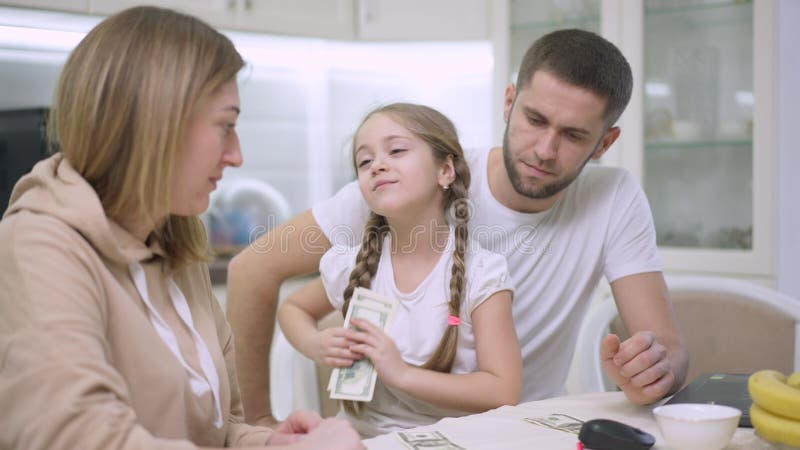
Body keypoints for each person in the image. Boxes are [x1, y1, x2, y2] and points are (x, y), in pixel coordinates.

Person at [227, 28, 689, 426]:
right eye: (534, 119)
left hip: (521, 433)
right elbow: (252, 270)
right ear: (509, 103)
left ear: (606, 142)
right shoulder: (411, 181)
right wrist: (257, 424)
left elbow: (668, 347)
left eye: (573, 135)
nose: (545, 149)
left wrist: (653, 368)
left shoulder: (614, 197)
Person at [0, 6, 363, 450]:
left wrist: (268, 442)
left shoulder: (175, 247)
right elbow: (75, 437)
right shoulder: (39, 247)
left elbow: (218, 428)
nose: (237, 155)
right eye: (225, 126)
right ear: (158, 123)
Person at [277, 103, 522, 437]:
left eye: (396, 150)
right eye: (364, 161)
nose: (377, 165)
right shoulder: (352, 264)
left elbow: (502, 390)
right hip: (360, 438)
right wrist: (314, 343)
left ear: (445, 171)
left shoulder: (482, 273)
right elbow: (293, 309)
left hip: (453, 441)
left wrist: (402, 374)